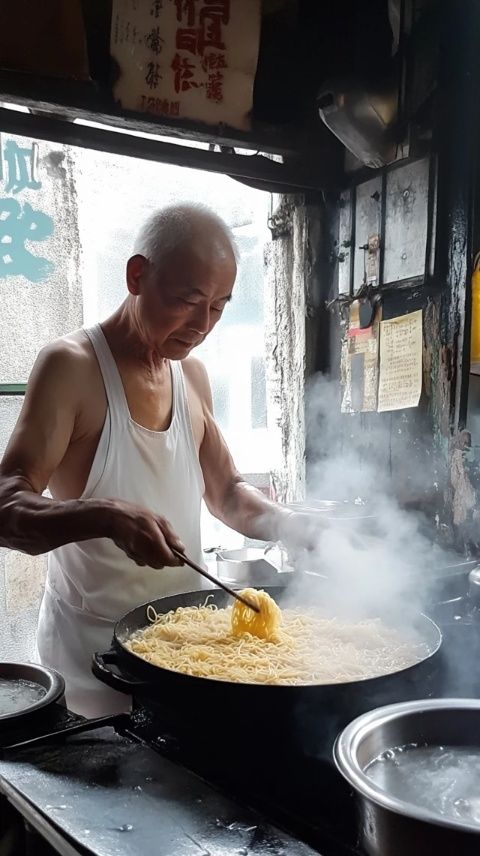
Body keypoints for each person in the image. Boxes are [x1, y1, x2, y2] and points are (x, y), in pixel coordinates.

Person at [0, 203, 318, 717]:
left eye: (218, 307)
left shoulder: (190, 375)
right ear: (137, 275)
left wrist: (295, 526)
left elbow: (229, 493)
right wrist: (106, 516)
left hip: (180, 650)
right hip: (92, 661)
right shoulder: (73, 367)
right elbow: (7, 506)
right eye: (188, 301)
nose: (203, 325)